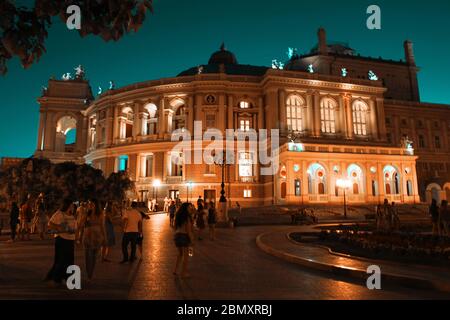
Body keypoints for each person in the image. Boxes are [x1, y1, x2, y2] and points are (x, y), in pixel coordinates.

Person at [45, 198, 77, 286]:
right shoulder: (59, 214)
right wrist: (60, 227)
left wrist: (73, 232)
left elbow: (75, 227)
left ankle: (68, 278)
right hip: (61, 239)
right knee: (61, 260)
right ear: (67, 205)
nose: (73, 207)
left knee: (70, 260)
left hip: (70, 240)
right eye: (71, 205)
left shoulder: (72, 216)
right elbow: (50, 223)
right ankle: (57, 278)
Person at [77, 199, 106, 282]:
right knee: (88, 256)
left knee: (94, 257)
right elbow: (80, 226)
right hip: (87, 237)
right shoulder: (86, 214)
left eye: (91, 204)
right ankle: (89, 275)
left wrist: (105, 238)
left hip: (97, 237)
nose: (89, 205)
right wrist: (79, 238)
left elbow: (102, 226)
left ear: (96, 205)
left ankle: (91, 273)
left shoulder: (100, 214)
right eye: (89, 204)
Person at [173, 202, 194, 277]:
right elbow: (188, 230)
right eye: (189, 207)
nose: (190, 208)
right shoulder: (187, 217)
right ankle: (183, 273)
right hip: (184, 236)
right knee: (186, 256)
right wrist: (191, 240)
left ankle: (175, 270)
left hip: (177, 236)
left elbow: (174, 227)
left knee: (180, 254)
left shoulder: (178, 216)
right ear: (186, 208)